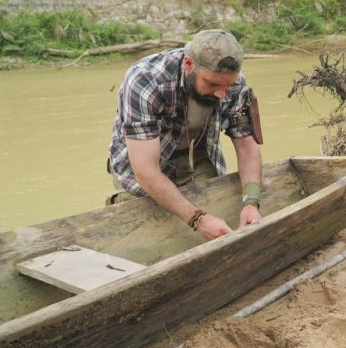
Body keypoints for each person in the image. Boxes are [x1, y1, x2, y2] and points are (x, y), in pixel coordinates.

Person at [107, 29, 264, 241]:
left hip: (196, 159)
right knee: (150, 235)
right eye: (213, 84)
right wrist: (198, 219)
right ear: (189, 65)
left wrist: (251, 203)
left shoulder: (234, 84)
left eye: (228, 85)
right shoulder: (146, 81)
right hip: (140, 169)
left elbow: (247, 147)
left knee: (214, 223)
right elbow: (145, 170)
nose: (221, 93)